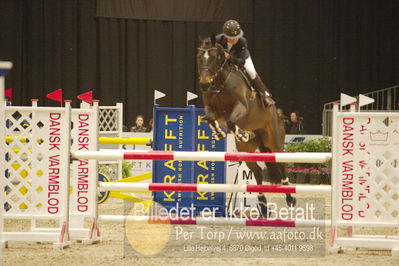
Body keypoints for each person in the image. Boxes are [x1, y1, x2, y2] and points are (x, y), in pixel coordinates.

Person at [215, 20, 274, 106]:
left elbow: (241, 62)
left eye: (237, 37)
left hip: (240, 58)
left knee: (251, 72)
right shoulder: (218, 40)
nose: (235, 40)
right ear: (225, 36)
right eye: (232, 38)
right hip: (224, 61)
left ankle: (265, 94)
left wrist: (229, 57)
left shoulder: (242, 41)